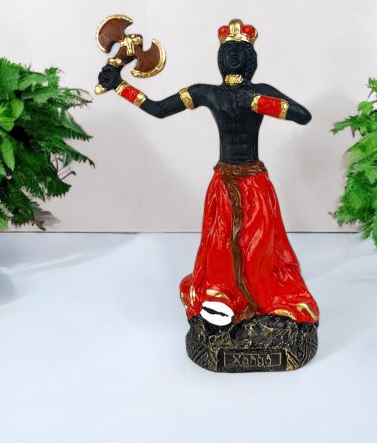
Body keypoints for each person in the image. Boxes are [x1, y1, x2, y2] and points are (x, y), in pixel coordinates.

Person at [98, 19, 319, 328]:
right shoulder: (206, 93)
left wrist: (256, 102)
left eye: (239, 49)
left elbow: (303, 116)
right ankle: (223, 296)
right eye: (228, 49)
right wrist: (120, 87)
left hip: (254, 183)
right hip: (224, 182)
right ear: (220, 56)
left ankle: (260, 299)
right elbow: (159, 109)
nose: (233, 54)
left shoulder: (260, 92)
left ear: (250, 57)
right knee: (220, 245)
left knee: (258, 247)